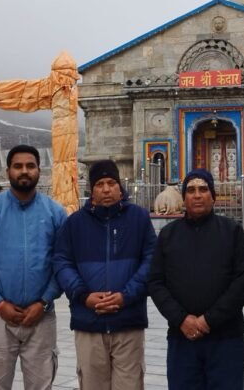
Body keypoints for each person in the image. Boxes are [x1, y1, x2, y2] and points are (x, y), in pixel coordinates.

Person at [0, 144, 67, 390]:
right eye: (18, 166)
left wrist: (43, 301)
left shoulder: (55, 213)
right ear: (8, 171)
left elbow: (63, 263)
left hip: (41, 317)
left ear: (39, 171)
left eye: (30, 166)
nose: (24, 171)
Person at [53, 160, 157, 389]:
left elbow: (151, 261)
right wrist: (83, 295)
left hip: (127, 321)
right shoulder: (75, 224)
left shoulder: (139, 219)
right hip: (89, 322)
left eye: (111, 183)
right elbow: (62, 262)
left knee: (129, 385)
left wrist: (126, 296)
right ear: (92, 190)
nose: (106, 189)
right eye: (100, 184)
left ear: (120, 187)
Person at [148, 168, 244, 390]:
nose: (197, 195)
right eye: (191, 190)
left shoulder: (232, 231)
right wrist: (181, 319)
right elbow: (156, 282)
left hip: (226, 338)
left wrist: (209, 320)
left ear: (212, 196)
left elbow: (242, 281)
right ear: (183, 198)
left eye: (203, 189)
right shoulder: (168, 235)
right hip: (181, 337)